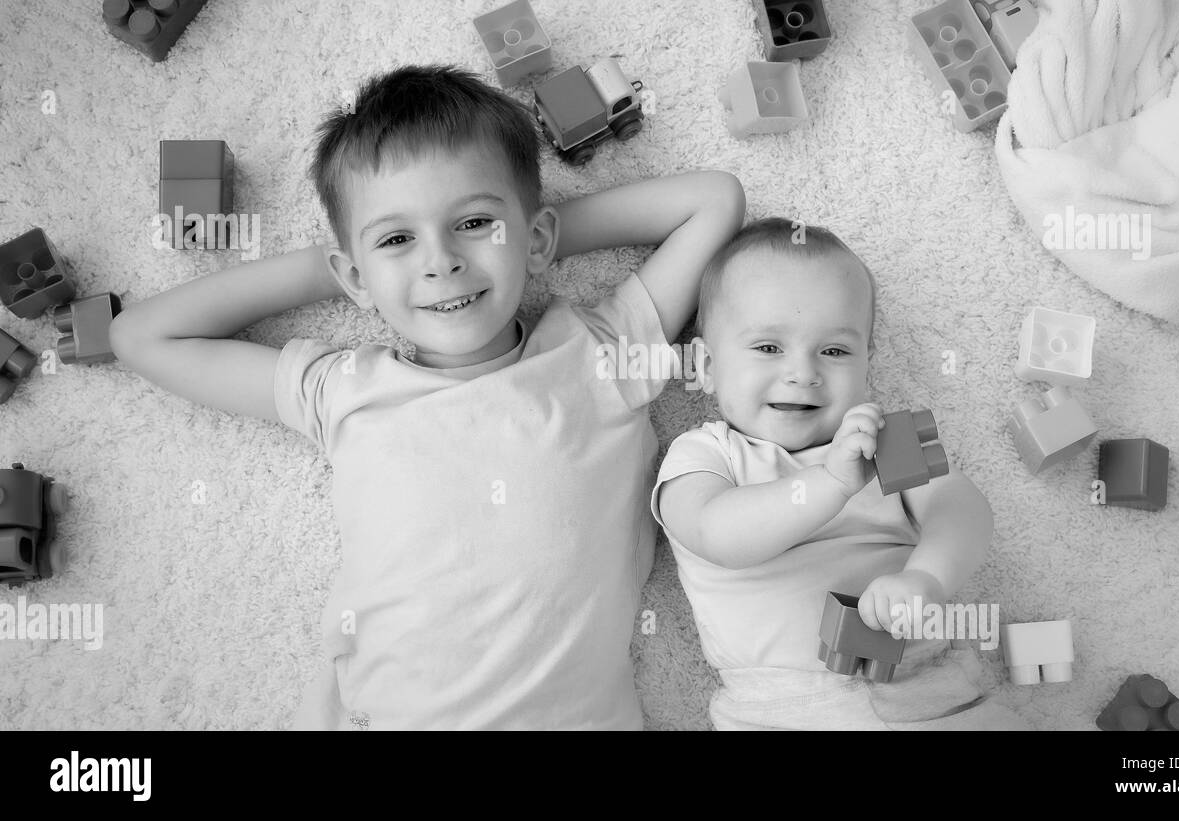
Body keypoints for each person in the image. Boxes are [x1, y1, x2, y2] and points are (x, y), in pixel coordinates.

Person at [110, 65, 745, 729]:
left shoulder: (601, 353)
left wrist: (526, 241)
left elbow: (715, 200)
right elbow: (143, 335)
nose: (439, 260)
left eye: (472, 222)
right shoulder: (343, 390)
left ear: (537, 238)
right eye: (397, 238)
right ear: (353, 273)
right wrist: (356, 275)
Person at [652, 218, 1028, 730]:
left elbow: (962, 508)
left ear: (867, 364)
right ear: (705, 364)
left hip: (931, 696)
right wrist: (827, 484)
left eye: (834, 351)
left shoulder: (881, 441)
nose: (803, 372)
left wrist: (928, 577)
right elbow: (717, 535)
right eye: (768, 347)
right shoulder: (706, 453)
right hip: (784, 710)